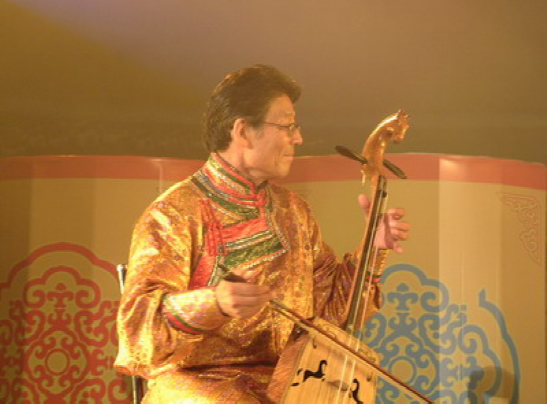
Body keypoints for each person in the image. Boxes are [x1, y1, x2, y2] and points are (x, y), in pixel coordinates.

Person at [114, 65, 410, 403]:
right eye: (287, 126)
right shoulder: (174, 212)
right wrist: (214, 303)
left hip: (286, 382)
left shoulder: (293, 210)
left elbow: (329, 319)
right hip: (199, 382)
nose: (297, 138)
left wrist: (373, 248)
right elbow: (138, 329)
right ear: (243, 131)